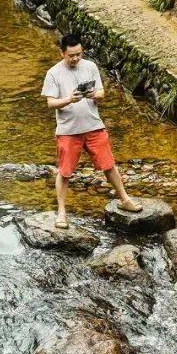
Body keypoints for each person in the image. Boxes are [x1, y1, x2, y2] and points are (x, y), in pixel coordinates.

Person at [41, 33, 141, 229]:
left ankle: (124, 199)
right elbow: (51, 103)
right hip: (68, 130)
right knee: (65, 171)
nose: (76, 58)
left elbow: (102, 92)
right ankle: (61, 212)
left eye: (79, 54)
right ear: (62, 53)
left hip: (94, 126)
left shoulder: (91, 67)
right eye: (71, 55)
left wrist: (94, 94)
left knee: (109, 165)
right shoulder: (53, 73)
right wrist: (70, 99)